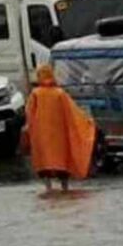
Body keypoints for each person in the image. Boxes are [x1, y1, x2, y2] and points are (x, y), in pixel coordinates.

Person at [25, 64, 96, 192]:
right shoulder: (60, 94)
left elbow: (29, 114)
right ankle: (65, 188)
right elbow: (73, 112)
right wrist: (87, 122)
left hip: (41, 136)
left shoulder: (36, 94)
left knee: (45, 163)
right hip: (59, 136)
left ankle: (48, 188)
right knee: (61, 161)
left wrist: (30, 130)